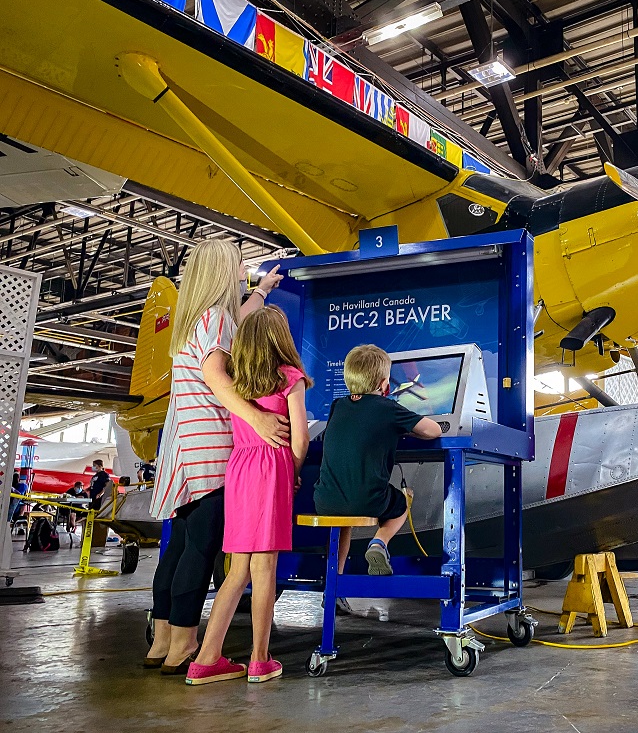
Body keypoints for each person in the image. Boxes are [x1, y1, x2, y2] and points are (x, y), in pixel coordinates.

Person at [145, 239, 290, 675]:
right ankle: (186, 643)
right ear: (223, 272)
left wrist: (262, 291)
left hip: (183, 449)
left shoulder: (196, 320)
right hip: (211, 448)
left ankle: (164, 639)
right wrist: (257, 419)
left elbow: (236, 325)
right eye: (237, 269)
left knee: (180, 547)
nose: (239, 276)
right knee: (202, 549)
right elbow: (216, 375)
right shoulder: (213, 317)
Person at [186, 307, 311, 685]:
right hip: (272, 470)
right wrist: (294, 471)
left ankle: (206, 659)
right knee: (265, 568)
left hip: (238, 470)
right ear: (281, 339)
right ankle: (260, 659)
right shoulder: (290, 377)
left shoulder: (236, 382)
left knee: (236, 571)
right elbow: (301, 439)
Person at [314, 344, 441, 578]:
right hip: (368, 501)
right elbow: (433, 430)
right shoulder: (388, 408)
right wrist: (404, 429)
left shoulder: (337, 406)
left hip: (325, 501)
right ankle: (379, 542)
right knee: (404, 499)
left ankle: (336, 583)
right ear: (385, 384)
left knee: (343, 523)